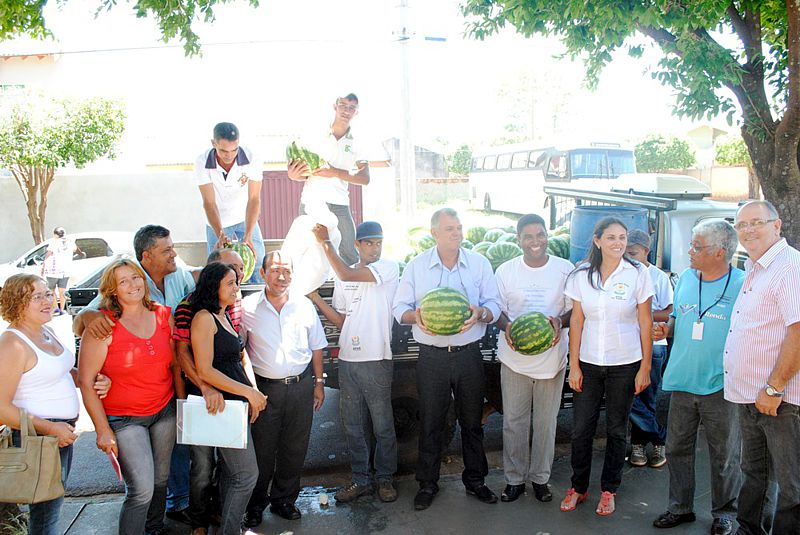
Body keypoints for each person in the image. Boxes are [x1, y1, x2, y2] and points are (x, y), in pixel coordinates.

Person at [72, 224, 196, 522]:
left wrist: (181, 404)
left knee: (160, 480)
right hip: (125, 417)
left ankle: (157, 525)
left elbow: (175, 358)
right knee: (141, 489)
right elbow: (87, 376)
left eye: (135, 279)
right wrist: (102, 429)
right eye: (123, 282)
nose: (132, 285)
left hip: (164, 408)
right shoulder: (105, 321)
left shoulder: (167, 304)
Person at [392, 207, 502, 511]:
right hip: (432, 357)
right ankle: (427, 484)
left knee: (472, 422)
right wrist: (416, 316)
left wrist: (481, 313)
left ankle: (476, 481)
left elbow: (494, 303)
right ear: (435, 233)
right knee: (431, 422)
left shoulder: (479, 264)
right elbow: (399, 307)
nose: (457, 233)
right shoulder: (417, 267)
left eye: (459, 228)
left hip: (469, 355)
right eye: (450, 228)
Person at [651, 219, 743, 535]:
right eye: (692, 244)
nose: (690, 252)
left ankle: (725, 514)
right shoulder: (688, 278)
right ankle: (680, 508)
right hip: (682, 379)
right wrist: (667, 329)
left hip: (722, 384)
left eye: (697, 246)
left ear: (720, 253)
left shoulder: (743, 285)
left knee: (725, 455)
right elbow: (678, 316)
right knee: (676, 448)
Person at [0, 274, 109, 535]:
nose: (47, 301)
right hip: (34, 438)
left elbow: (60, 371)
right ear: (16, 302)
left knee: (48, 512)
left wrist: (91, 380)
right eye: (36, 297)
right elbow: (2, 406)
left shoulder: (44, 330)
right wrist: (51, 428)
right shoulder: (13, 344)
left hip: (57, 435)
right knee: (43, 517)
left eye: (48, 294)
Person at [560, 216, 654, 516]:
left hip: (625, 363)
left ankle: (609, 489)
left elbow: (645, 321)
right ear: (597, 241)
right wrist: (573, 365)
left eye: (623, 237)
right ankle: (579, 486)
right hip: (588, 363)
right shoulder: (581, 274)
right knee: (580, 430)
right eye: (611, 237)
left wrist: (645, 367)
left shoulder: (637, 273)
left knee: (616, 430)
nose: (618, 243)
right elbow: (576, 320)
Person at [723, 200, 800, 534]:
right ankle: (748, 529)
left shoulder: (789, 267)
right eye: (742, 225)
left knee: (791, 484)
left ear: (777, 225)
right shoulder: (756, 266)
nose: (749, 230)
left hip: (779, 400)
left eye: (757, 222)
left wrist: (774, 387)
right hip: (751, 396)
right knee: (753, 473)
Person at [309, 221, 399, 503]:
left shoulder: (387, 268)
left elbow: (347, 273)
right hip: (349, 360)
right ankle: (362, 481)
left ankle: (385, 480)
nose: (375, 248)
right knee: (353, 426)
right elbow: (341, 320)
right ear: (358, 245)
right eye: (369, 243)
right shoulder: (342, 276)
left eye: (378, 242)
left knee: (383, 425)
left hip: (377, 360)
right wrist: (315, 298)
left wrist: (325, 243)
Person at [242, 251, 327, 526]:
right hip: (265, 391)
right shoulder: (247, 308)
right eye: (275, 270)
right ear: (263, 274)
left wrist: (319, 383)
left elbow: (317, 346)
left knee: (294, 448)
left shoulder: (303, 306)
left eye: (287, 271)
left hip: (301, 387)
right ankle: (254, 505)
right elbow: (239, 350)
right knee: (262, 451)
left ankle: (284, 501)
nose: (281, 276)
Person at [494, 214, 573, 503]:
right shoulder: (505, 271)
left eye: (540, 235)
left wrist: (558, 323)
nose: (535, 241)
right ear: (518, 240)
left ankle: (540, 478)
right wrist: (508, 328)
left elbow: (574, 310)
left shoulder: (565, 269)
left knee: (545, 422)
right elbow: (496, 309)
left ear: (547, 237)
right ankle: (514, 480)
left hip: (552, 360)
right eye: (528, 236)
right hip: (514, 358)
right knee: (514, 421)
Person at [187, 262, 266, 535]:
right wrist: (248, 392)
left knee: (235, 475)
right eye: (230, 283)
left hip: (236, 405)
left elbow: (237, 357)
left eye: (236, 281)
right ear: (214, 287)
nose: (237, 287)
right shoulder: (203, 318)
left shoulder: (224, 315)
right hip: (222, 407)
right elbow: (204, 369)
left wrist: (251, 392)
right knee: (246, 476)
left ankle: (230, 528)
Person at [172, 248, 246, 534]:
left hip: (230, 396)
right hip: (201, 397)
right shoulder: (188, 307)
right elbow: (182, 354)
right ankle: (199, 521)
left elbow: (236, 350)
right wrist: (205, 387)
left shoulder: (233, 305)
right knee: (202, 466)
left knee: (229, 467)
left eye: (238, 270)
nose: (238, 276)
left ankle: (221, 514)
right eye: (231, 271)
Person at [287, 93, 369, 266]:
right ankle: (309, 293)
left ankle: (349, 292)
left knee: (349, 252)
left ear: (357, 113)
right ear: (335, 106)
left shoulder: (358, 142)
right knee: (309, 251)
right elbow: (301, 171)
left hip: (340, 203)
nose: (347, 110)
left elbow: (365, 179)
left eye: (352, 107)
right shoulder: (314, 135)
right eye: (343, 105)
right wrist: (293, 175)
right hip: (312, 201)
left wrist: (334, 172)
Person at [625, 229, 673, 468]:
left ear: (647, 251)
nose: (628, 256)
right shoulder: (619, 273)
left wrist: (643, 315)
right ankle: (658, 438)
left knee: (648, 396)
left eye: (633, 252)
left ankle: (642, 447)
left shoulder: (658, 277)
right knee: (629, 395)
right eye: (626, 251)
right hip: (625, 346)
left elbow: (669, 311)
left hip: (654, 344)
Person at [195, 122, 265, 284]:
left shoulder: (252, 158)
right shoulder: (202, 161)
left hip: (244, 218)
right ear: (214, 144)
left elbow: (254, 198)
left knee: (257, 262)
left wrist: (248, 234)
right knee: (217, 269)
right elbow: (209, 202)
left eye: (234, 150)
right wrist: (220, 232)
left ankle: (257, 304)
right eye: (223, 150)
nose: (229, 155)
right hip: (216, 221)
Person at [42, 227, 84, 315]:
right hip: (66, 270)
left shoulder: (54, 242)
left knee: (52, 290)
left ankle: (56, 308)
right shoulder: (70, 242)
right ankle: (62, 309)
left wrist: (43, 265)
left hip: (53, 271)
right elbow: (76, 250)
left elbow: (48, 254)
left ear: (55, 234)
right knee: (62, 290)